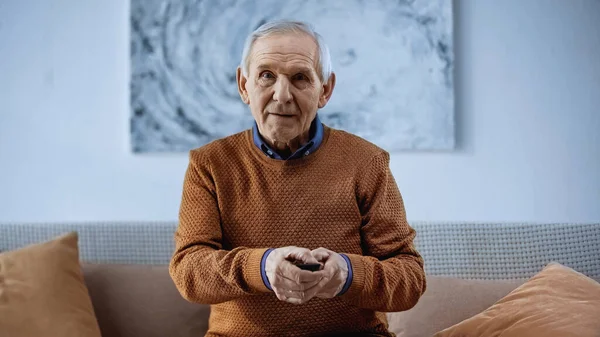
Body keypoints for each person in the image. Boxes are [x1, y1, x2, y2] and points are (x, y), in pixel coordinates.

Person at [169, 20, 426, 337]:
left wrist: (347, 274)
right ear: (243, 85)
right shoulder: (209, 165)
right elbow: (189, 272)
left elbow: (409, 280)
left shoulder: (367, 162)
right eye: (266, 76)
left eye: (300, 78)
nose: (282, 95)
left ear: (325, 90)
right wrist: (263, 268)